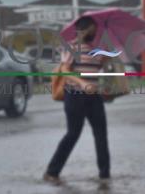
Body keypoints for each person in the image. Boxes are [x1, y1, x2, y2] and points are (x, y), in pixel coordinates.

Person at [43, 16, 111, 185]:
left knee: (101, 133)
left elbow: (94, 70)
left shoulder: (94, 49)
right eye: (93, 29)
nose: (95, 33)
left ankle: (104, 175)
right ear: (85, 29)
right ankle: (52, 172)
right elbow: (66, 72)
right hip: (75, 95)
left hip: (94, 97)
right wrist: (83, 84)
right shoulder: (71, 47)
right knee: (73, 133)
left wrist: (105, 61)